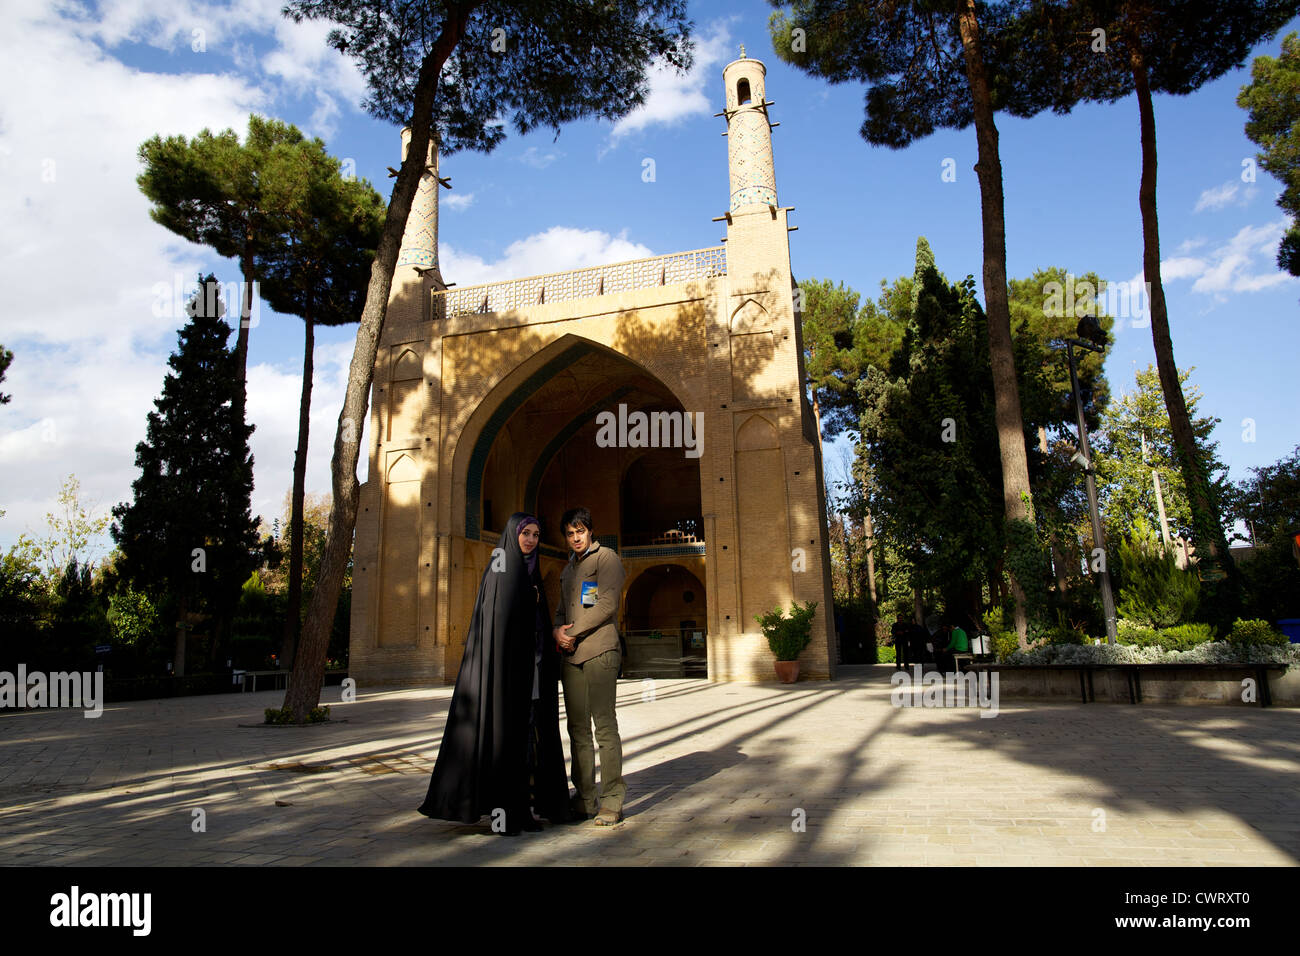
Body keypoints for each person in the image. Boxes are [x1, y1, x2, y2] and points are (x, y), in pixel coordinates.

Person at [417, 513, 569, 834]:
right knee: (505, 742)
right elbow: (499, 628)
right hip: (506, 679)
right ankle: (505, 816)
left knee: (524, 742)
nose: (529, 539)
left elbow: (533, 621)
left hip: (530, 674)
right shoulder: (501, 570)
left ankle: (523, 811)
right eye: (524, 533)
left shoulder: (531, 573)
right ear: (512, 535)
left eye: (535, 534)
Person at [553, 507, 627, 826]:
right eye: (570, 533)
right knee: (577, 729)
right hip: (571, 656)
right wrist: (559, 631)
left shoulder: (605, 558)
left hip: (599, 651)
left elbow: (607, 604)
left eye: (580, 531)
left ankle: (611, 800)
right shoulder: (568, 569)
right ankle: (584, 798)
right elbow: (560, 610)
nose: (575, 537)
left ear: (590, 531)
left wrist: (571, 633)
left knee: (604, 727)